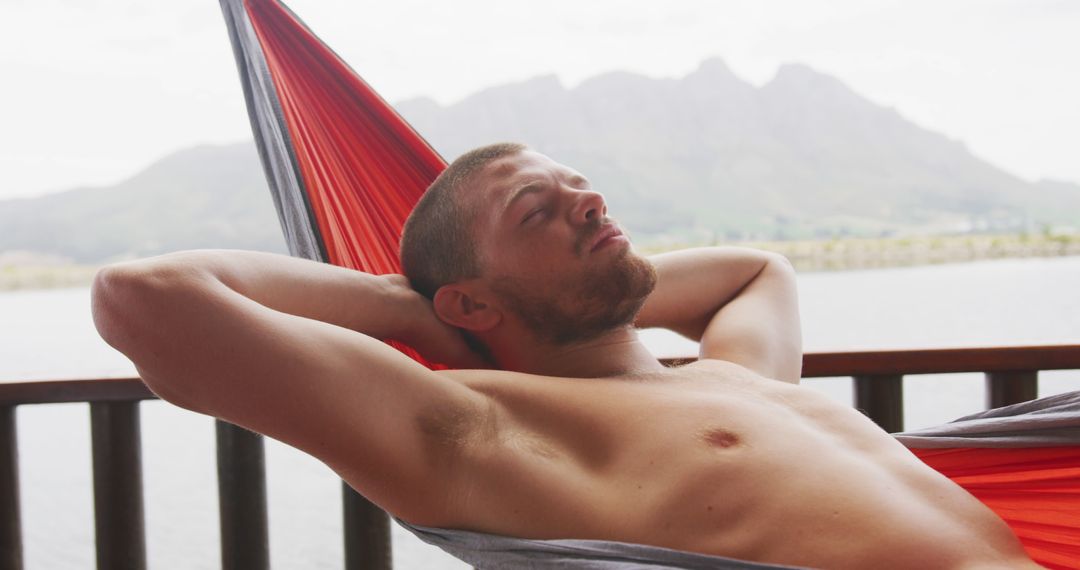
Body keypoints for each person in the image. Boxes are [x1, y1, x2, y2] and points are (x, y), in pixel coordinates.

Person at [91, 143, 1038, 568]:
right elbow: (145, 299)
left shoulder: (734, 377)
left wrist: (564, 286)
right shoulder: (487, 432)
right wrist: (414, 314)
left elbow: (758, 268)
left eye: (581, 188)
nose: (590, 204)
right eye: (536, 212)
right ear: (469, 300)